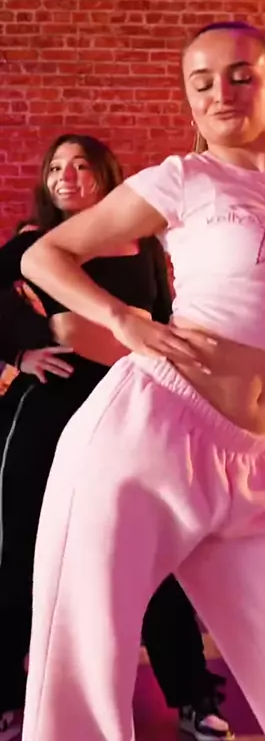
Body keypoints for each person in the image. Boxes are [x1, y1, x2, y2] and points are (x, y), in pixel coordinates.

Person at [20, 21, 265, 741]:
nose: (222, 92)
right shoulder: (183, 179)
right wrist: (123, 320)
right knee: (84, 675)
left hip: (251, 467)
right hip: (144, 440)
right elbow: (46, 256)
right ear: (189, 100)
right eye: (202, 82)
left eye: (241, 76)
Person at [0, 135, 231, 741]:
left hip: (131, 408)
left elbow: (165, 319)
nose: (66, 176)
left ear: (106, 176)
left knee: (152, 551)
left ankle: (192, 693)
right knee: (20, 551)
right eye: (56, 167)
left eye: (81, 165)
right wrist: (22, 352)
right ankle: (6, 695)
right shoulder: (34, 244)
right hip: (49, 407)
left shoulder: (144, 246)